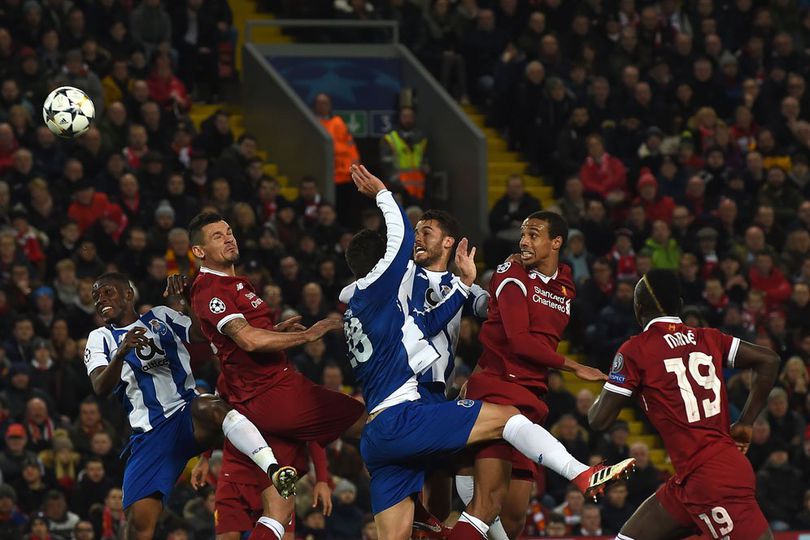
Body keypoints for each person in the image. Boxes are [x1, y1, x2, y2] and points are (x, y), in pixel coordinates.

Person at [341, 165, 634, 540]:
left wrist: (476, 287)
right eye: (415, 232)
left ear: (449, 242)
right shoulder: (398, 280)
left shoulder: (469, 287)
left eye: (426, 232)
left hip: (426, 400)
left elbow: (487, 310)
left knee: (440, 511)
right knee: (467, 490)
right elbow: (362, 292)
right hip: (409, 402)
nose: (417, 238)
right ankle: (581, 473)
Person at [187, 212, 365, 540]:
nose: (229, 238)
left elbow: (244, 342)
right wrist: (308, 335)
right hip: (272, 394)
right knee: (369, 424)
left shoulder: (233, 283)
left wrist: (275, 332)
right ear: (199, 251)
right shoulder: (211, 289)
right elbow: (249, 340)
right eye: (217, 236)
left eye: (229, 232)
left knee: (279, 514)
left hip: (259, 401)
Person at [83, 272, 297, 539]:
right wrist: (121, 353)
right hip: (150, 436)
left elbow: (198, 333)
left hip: (187, 414)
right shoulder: (99, 338)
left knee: (212, 405)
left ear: (128, 294)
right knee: (139, 527)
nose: (100, 300)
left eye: (107, 292)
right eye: (95, 297)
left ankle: (273, 469)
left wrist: (186, 299)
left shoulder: (160, 316)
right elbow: (100, 386)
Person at [460, 210, 627, 540]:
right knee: (486, 503)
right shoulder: (512, 272)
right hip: (498, 387)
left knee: (514, 518)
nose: (524, 241)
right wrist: (575, 366)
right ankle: (581, 472)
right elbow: (520, 341)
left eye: (533, 234)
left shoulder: (566, 284)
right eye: (523, 234)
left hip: (531, 397)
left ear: (557, 242)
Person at [588, 269, 780, 540]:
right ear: (678, 304)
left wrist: (605, 385)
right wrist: (746, 422)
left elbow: (598, 420)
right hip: (692, 477)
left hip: (711, 480)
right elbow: (768, 360)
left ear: (638, 307)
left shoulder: (636, 350)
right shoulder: (709, 337)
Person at [380, 106, 429, 201]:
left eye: (410, 117)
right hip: (398, 187)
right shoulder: (390, 138)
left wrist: (426, 171)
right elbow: (386, 163)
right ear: (399, 118)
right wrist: (395, 181)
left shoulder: (421, 138)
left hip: (418, 188)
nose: (408, 120)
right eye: (405, 116)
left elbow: (425, 160)